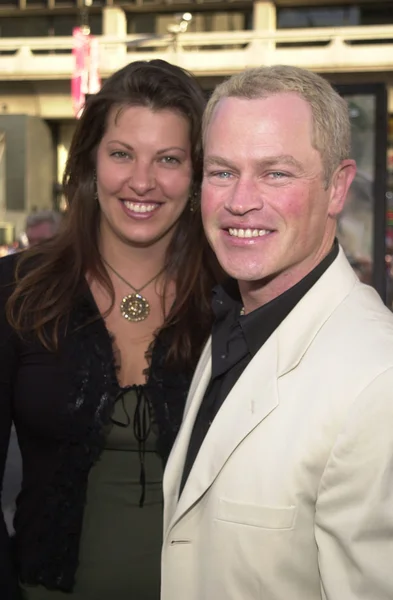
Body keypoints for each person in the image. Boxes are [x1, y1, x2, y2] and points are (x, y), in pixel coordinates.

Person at [161, 65, 393, 600]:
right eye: (222, 172)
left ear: (337, 187)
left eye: (276, 173)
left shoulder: (376, 383)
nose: (240, 201)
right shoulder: (232, 318)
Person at [0, 58, 220, 599]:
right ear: (91, 162)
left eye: (168, 159)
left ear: (195, 175)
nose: (142, 181)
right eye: (122, 154)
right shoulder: (16, 290)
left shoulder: (232, 299)